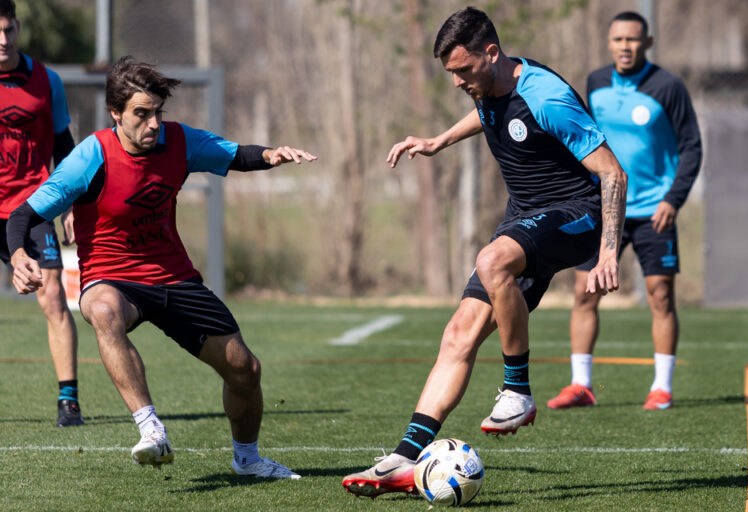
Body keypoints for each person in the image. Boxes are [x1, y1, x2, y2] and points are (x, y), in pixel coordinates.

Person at [342, 7, 627, 498]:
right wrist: (437, 141)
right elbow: (485, 112)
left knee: (492, 259)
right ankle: (404, 460)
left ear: (491, 54)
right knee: (458, 332)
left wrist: (606, 255)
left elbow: (612, 173)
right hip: (527, 219)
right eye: (450, 73)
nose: (456, 81)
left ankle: (518, 390)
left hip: (577, 214)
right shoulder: (488, 86)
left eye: (463, 70)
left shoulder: (546, 96)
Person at [7, 56, 317, 478]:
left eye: (157, 112)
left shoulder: (180, 142)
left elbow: (237, 155)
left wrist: (272, 154)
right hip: (113, 277)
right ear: (116, 113)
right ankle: (150, 429)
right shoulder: (90, 156)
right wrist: (21, 255)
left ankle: (247, 460)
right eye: (141, 113)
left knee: (245, 370)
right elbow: (25, 214)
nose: (152, 124)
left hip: (174, 276)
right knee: (99, 309)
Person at [547, 11, 702, 412]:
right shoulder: (595, 83)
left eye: (633, 40)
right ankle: (581, 385)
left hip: (654, 212)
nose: (625, 47)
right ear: (609, 42)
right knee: (585, 291)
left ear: (646, 43)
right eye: (618, 40)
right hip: (605, 208)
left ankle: (662, 387)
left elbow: (691, 147)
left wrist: (673, 199)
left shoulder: (668, 86)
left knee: (660, 295)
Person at [0, 0, 83, 427]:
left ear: (18, 28)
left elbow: (65, 147)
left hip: (30, 207)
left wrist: (70, 204)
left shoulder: (46, 80)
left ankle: (68, 400)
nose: (2, 40)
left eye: (8, 30)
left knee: (52, 295)